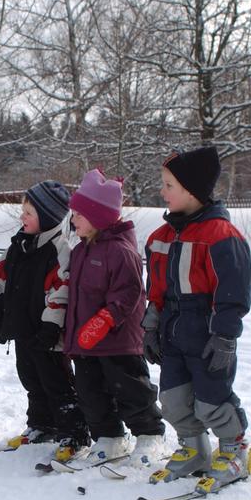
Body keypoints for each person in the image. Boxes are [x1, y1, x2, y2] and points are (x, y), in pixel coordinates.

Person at [144, 146, 251, 493]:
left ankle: (234, 450)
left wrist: (225, 336)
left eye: (169, 185)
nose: (162, 192)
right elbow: (155, 290)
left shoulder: (220, 236)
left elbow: (233, 294)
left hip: (207, 331)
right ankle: (193, 449)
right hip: (172, 331)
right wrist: (150, 325)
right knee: (173, 399)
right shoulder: (159, 239)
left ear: (192, 189)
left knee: (211, 398)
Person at [60, 169, 165, 464]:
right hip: (85, 342)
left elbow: (130, 292)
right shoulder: (81, 250)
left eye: (79, 214)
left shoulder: (121, 251)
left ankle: (150, 435)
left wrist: (105, 319)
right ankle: (109, 435)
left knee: (131, 390)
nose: (74, 220)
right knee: (90, 393)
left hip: (118, 341)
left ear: (99, 217)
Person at [0, 181, 89, 451]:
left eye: (29, 213)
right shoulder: (16, 248)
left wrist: (50, 326)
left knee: (55, 382)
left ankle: (73, 431)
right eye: (23, 211)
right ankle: (41, 424)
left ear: (46, 217)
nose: (22, 217)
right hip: (22, 329)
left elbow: (61, 290)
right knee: (30, 378)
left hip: (48, 336)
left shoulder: (60, 250)